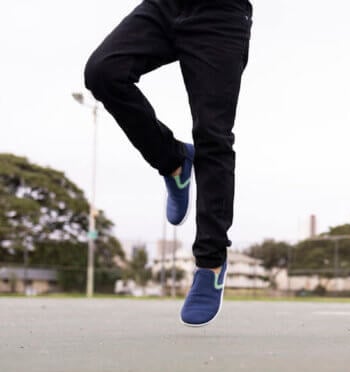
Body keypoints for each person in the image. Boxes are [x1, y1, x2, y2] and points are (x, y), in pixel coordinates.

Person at [84, 0, 253, 327]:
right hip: (165, 6)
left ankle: (211, 263)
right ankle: (173, 161)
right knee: (103, 72)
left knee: (212, 134)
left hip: (221, 15)